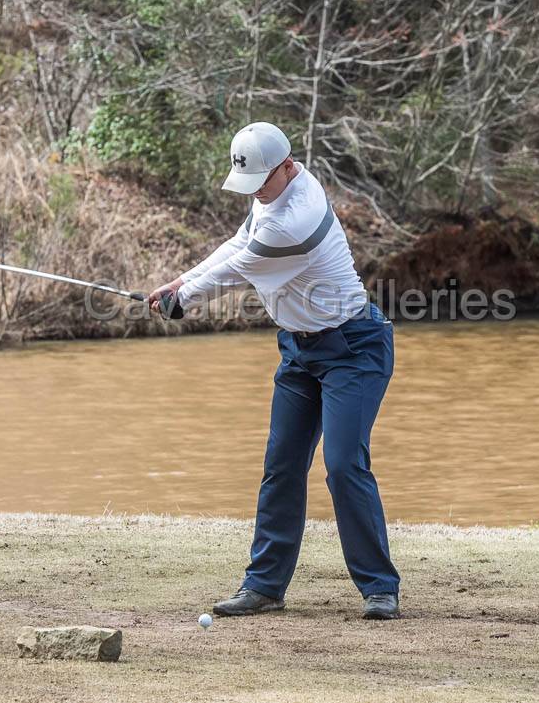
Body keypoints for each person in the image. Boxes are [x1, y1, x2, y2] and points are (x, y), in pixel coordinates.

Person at [149, 122, 401, 620]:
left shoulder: (297, 219)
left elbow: (238, 271)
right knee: (281, 465)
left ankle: (379, 588)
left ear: (287, 166)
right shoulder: (273, 190)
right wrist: (179, 280)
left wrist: (185, 300)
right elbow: (236, 243)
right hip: (298, 351)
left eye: (261, 182)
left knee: (344, 464)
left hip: (353, 347)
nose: (256, 192)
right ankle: (264, 586)